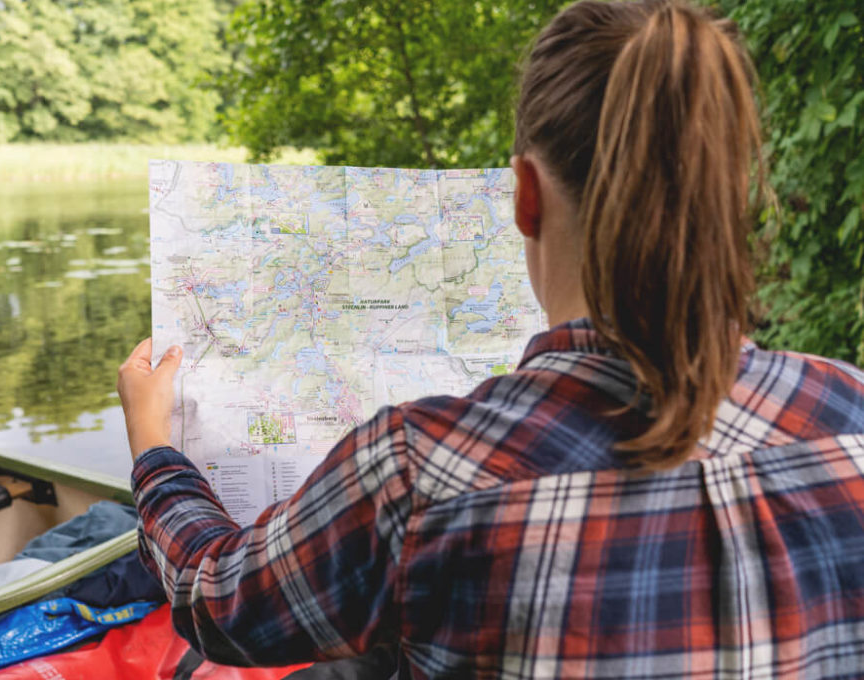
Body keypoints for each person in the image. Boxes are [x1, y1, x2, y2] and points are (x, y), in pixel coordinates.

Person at [117, 0, 864, 677]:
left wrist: (154, 445)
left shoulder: (417, 469)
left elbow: (218, 602)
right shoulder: (850, 411)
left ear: (526, 195)